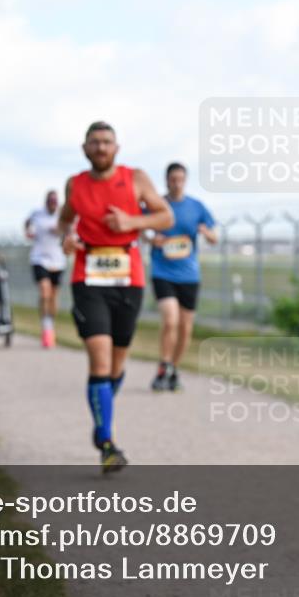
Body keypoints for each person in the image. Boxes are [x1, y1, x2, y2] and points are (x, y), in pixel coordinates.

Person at [58, 121, 173, 473]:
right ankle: (107, 444)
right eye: (94, 142)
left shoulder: (135, 178)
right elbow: (65, 220)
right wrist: (67, 237)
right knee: (100, 361)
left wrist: (132, 223)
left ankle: (100, 420)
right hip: (88, 276)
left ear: (117, 147)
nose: (101, 148)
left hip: (128, 278)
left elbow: (165, 217)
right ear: (84, 149)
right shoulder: (75, 184)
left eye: (107, 142)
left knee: (117, 366)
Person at [147, 162, 216, 391]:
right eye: (173, 179)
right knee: (170, 319)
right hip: (162, 271)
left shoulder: (196, 207)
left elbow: (215, 236)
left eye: (180, 179)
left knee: (186, 328)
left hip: (188, 274)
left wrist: (206, 232)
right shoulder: (157, 204)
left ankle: (174, 369)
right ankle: (163, 366)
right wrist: (150, 238)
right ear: (166, 180)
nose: (177, 184)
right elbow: (140, 227)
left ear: (185, 181)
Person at [25, 190, 67, 348]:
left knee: (54, 296)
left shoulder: (62, 214)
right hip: (39, 258)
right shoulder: (37, 213)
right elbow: (27, 222)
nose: (52, 205)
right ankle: (46, 328)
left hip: (58, 260)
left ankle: (51, 324)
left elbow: (66, 230)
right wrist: (28, 232)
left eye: (55, 202)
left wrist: (61, 230)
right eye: (50, 201)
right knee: (45, 291)